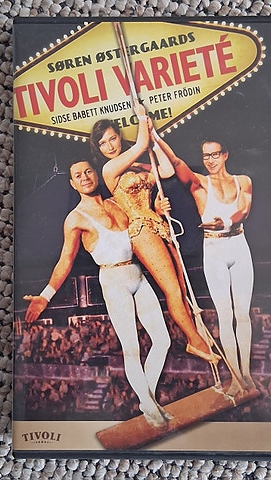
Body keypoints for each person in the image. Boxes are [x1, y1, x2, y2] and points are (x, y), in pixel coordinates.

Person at [24, 160, 172, 428]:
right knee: (132, 349)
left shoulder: (118, 203)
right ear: (72, 183)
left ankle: (148, 401)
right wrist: (45, 296)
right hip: (113, 280)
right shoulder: (76, 218)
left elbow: (143, 220)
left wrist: (157, 211)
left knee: (163, 341)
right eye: (77, 175)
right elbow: (65, 260)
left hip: (138, 274)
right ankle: (150, 407)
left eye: (88, 171)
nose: (84, 177)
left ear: (96, 174)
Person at [89, 104, 219, 364]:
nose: (110, 146)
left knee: (182, 288)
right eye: (103, 143)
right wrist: (141, 120)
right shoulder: (109, 170)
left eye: (112, 138)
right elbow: (139, 145)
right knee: (172, 290)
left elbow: (167, 170)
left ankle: (196, 338)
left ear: (119, 137)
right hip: (141, 231)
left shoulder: (135, 167)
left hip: (158, 224)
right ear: (98, 149)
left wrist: (154, 136)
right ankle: (195, 341)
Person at [154, 135, 256, 396]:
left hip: (239, 244)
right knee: (225, 316)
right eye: (205, 156)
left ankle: (247, 375)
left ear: (225, 155)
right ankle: (235, 378)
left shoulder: (243, 181)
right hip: (214, 250)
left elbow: (244, 211)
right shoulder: (200, 183)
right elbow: (175, 161)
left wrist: (226, 222)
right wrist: (154, 136)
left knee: (242, 314)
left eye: (214, 154)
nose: (210, 160)